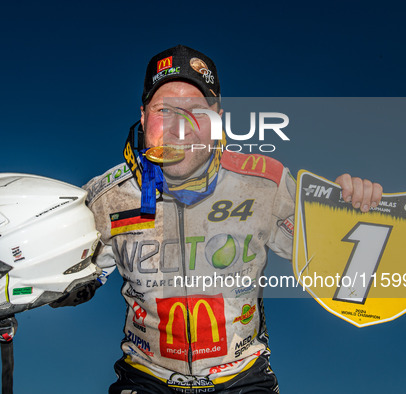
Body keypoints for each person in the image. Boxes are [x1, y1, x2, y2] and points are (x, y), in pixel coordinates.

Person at [75, 45, 382, 393]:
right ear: (144, 117)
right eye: (165, 110)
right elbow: (64, 281)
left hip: (242, 378)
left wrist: (347, 208)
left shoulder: (265, 182)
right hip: (146, 379)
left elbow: (340, 266)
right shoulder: (106, 196)